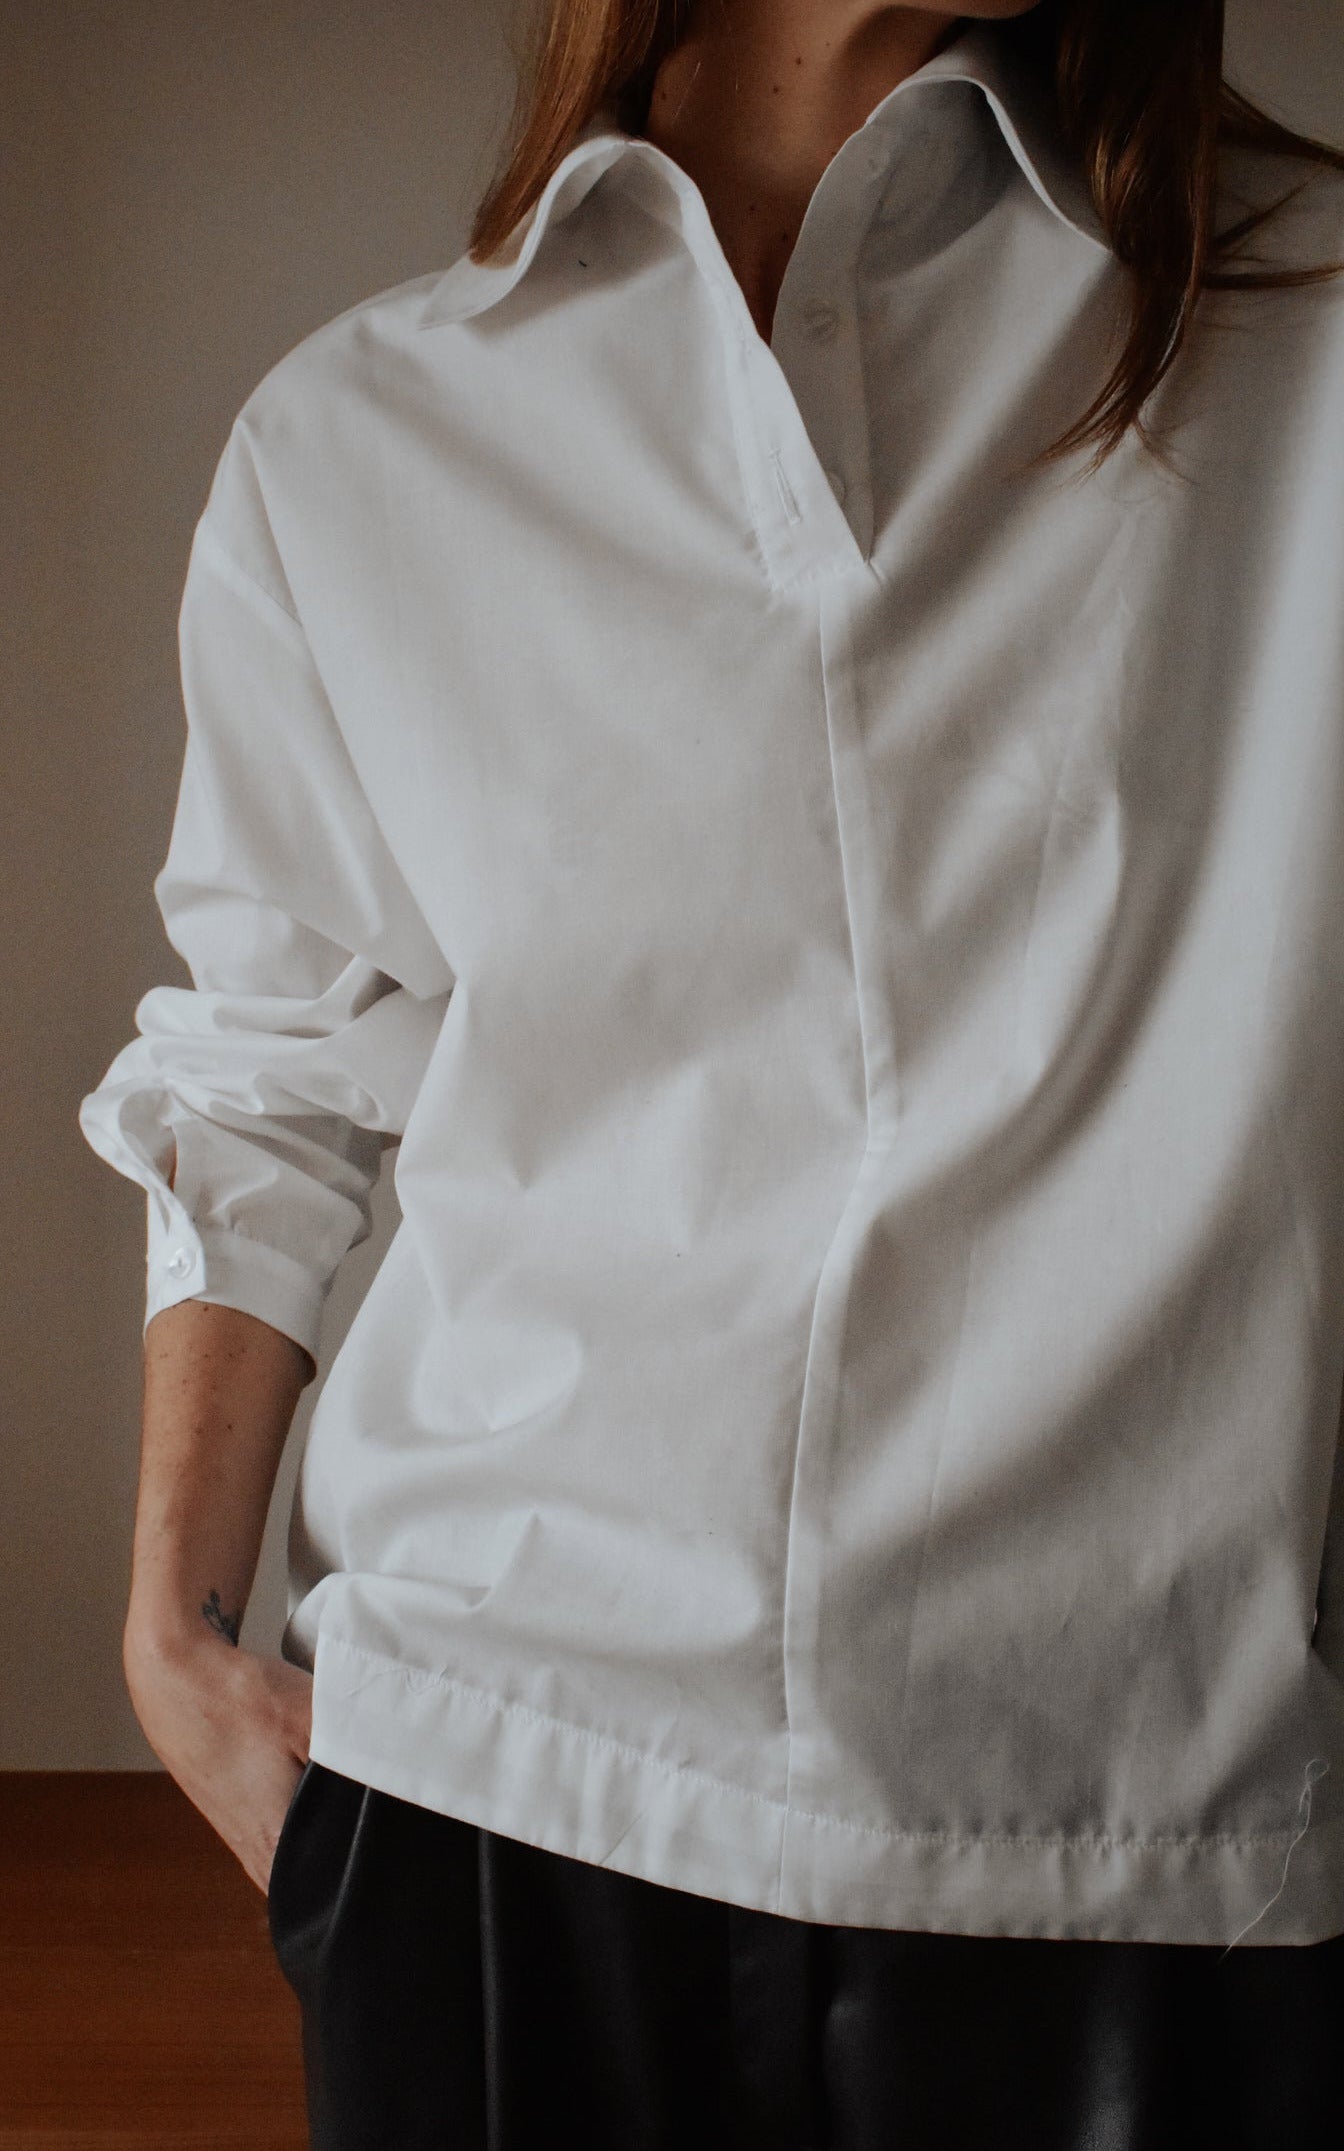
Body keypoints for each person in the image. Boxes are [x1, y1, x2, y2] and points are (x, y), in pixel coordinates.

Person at [78, 1, 1344, 2143]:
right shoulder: (362, 434)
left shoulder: (1306, 336)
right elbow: (271, 1058)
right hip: (486, 1799)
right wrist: (175, 1636)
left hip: (1150, 1840)